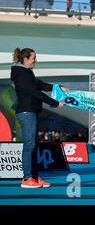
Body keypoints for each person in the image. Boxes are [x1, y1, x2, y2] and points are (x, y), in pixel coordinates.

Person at [10, 48, 68, 188]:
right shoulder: (22, 74)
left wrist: (58, 87)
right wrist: (55, 103)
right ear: (26, 59)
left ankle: (34, 177)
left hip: (31, 112)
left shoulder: (27, 73)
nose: (36, 60)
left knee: (34, 146)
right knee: (29, 146)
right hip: (26, 112)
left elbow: (41, 85)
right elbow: (35, 92)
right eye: (34, 57)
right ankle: (27, 178)